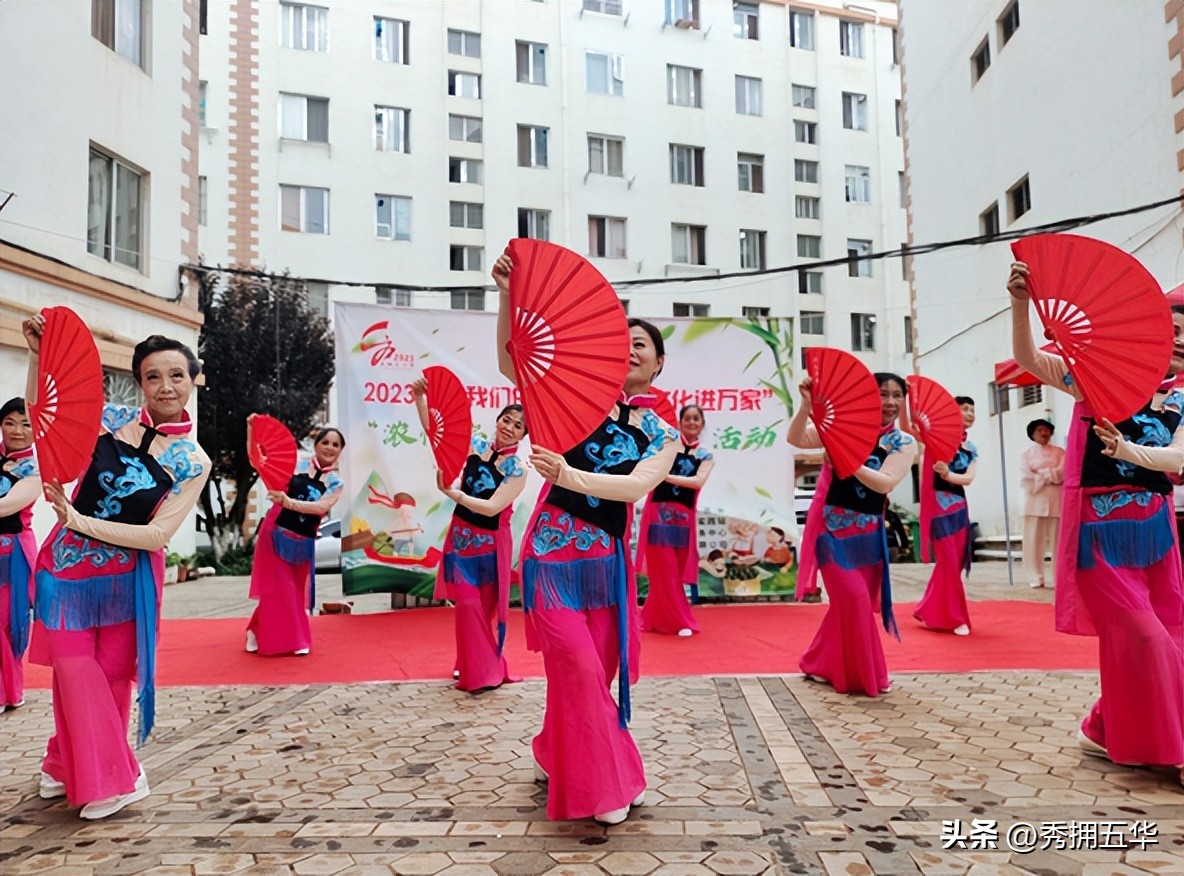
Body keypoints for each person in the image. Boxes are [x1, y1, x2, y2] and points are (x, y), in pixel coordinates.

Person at [494, 250, 678, 825]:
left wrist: (567, 475)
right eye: (620, 339)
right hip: (551, 558)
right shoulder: (569, 400)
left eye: (640, 344)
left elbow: (638, 487)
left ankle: (553, 749)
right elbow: (513, 363)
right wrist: (506, 293)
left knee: (596, 674)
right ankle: (608, 781)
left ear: (658, 364)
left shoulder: (661, 431)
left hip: (605, 566)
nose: (628, 348)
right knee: (574, 665)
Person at [23, 321, 211, 820]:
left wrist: (80, 519)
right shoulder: (108, 419)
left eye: (176, 375)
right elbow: (42, 421)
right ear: (140, 383)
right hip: (64, 569)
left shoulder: (194, 460)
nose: (166, 386)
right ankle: (113, 776)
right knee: (73, 668)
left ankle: (68, 763)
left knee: (110, 679)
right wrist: (37, 359)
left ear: (194, 379)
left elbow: (156, 536)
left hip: (129, 580)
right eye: (153, 377)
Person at [1008, 261, 1184, 782]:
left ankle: (1104, 725)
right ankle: (1173, 748)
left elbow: (1179, 460)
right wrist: (1021, 303)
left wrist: (1129, 448)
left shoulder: (1180, 397)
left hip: (1157, 534)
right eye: (1170, 331)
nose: (1177, 341)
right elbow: (1028, 358)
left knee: (1171, 640)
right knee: (1147, 638)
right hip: (1098, 535)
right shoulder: (1092, 374)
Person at [787, 371, 915, 697]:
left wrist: (845, 458)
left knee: (848, 605)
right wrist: (804, 406)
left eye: (896, 395)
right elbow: (797, 439)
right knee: (854, 599)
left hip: (869, 537)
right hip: (831, 531)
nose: (888, 401)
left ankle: (818, 662)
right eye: (881, 393)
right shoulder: (842, 428)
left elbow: (884, 483)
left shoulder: (904, 443)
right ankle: (863, 676)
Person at [414, 379, 527, 692]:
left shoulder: (517, 470)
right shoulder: (475, 446)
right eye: (507, 419)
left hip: (492, 548)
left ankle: (468, 661)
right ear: (498, 420)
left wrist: (453, 494)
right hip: (461, 541)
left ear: (523, 435)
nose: (510, 427)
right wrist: (420, 399)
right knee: (467, 605)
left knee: (483, 611)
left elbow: (492, 508)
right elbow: (437, 436)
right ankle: (481, 673)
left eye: (518, 426)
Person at [245, 428, 345, 657]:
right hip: (276, 532)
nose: (330, 448)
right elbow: (258, 460)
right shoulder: (295, 464)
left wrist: (288, 502)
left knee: (294, 591)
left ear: (340, 450)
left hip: (304, 540)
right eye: (325, 442)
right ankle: (296, 639)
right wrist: (252, 431)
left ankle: (254, 628)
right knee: (282, 588)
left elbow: (320, 507)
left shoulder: (336, 483)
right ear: (316, 444)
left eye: (336, 444)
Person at [637, 404, 715, 637]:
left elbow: (698, 482)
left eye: (696, 419)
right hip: (658, 515)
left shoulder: (705, 456)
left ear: (702, 424)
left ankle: (653, 617)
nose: (691, 423)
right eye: (687, 419)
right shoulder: (667, 447)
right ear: (680, 422)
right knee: (665, 570)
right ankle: (680, 620)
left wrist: (666, 476)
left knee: (676, 570)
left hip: (683, 518)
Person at [913, 396, 978, 636]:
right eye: (964, 409)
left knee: (953, 564)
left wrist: (948, 473)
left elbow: (969, 479)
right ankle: (955, 618)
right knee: (949, 561)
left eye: (973, 410)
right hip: (938, 508)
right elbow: (911, 428)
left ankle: (927, 607)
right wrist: (909, 400)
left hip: (959, 508)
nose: (970, 413)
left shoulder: (971, 448)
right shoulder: (935, 439)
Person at [0, 397, 40, 710]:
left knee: (7, 624)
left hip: (12, 554)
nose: (17, 430)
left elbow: (8, 506)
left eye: (25, 423)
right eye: (10, 422)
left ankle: (9, 691)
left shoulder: (36, 469)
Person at [1019, 417, 1065, 588]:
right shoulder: (1026, 453)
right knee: (1034, 541)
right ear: (1033, 434)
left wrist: (1043, 474)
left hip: (1055, 499)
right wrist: (1049, 476)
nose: (1044, 433)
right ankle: (1036, 576)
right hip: (1034, 500)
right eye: (1040, 430)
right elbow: (1026, 476)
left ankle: (1058, 576)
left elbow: (1063, 471)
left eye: (1047, 430)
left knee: (1058, 541)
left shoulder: (1061, 452)